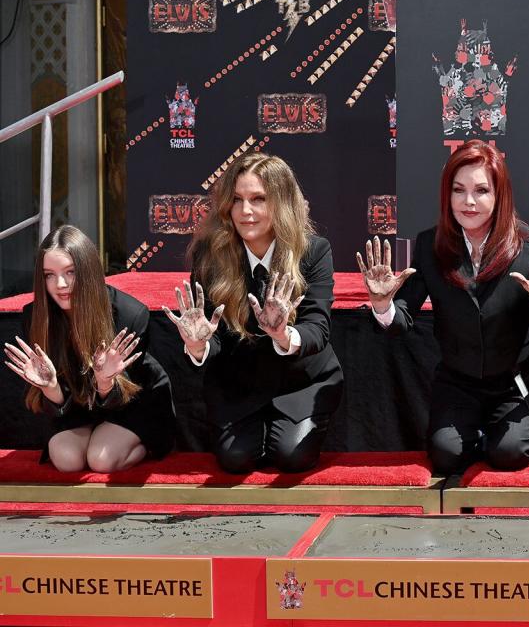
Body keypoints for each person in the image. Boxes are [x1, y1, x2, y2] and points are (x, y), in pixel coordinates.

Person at [357, 140, 529, 475]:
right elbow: (402, 320)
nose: (469, 202)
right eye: (459, 190)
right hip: (458, 384)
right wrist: (383, 305)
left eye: (481, 190)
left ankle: (495, 437)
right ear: (447, 195)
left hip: (514, 383)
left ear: (500, 196)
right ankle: (474, 436)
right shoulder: (430, 244)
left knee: (510, 453)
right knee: (446, 455)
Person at [165, 152, 343, 473]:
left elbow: (318, 329)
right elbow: (213, 335)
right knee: (236, 461)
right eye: (237, 199)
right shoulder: (211, 255)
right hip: (238, 385)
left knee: (292, 457)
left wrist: (283, 333)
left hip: (300, 383)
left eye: (258, 199)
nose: (245, 211)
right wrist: (198, 345)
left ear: (281, 202)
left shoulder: (314, 252)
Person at [4, 225, 175, 472]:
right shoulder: (35, 316)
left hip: (130, 405)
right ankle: (94, 437)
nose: (60, 284)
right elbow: (59, 403)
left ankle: (145, 445)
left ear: (88, 271)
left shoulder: (129, 314)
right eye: (49, 275)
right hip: (76, 407)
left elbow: (128, 393)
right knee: (66, 460)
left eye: (70, 272)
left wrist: (105, 382)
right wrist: (50, 387)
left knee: (101, 459)